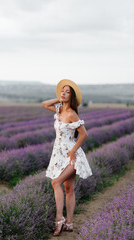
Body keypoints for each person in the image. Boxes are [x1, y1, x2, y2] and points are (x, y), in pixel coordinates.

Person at [42, 79, 92, 237]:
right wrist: (60, 98)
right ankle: (69, 223)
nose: (63, 93)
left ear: (73, 97)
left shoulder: (71, 114)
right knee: (68, 189)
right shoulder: (59, 110)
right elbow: (44, 104)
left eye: (67, 92)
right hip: (58, 154)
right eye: (62, 91)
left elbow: (84, 134)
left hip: (71, 155)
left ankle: (59, 218)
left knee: (55, 182)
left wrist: (73, 151)